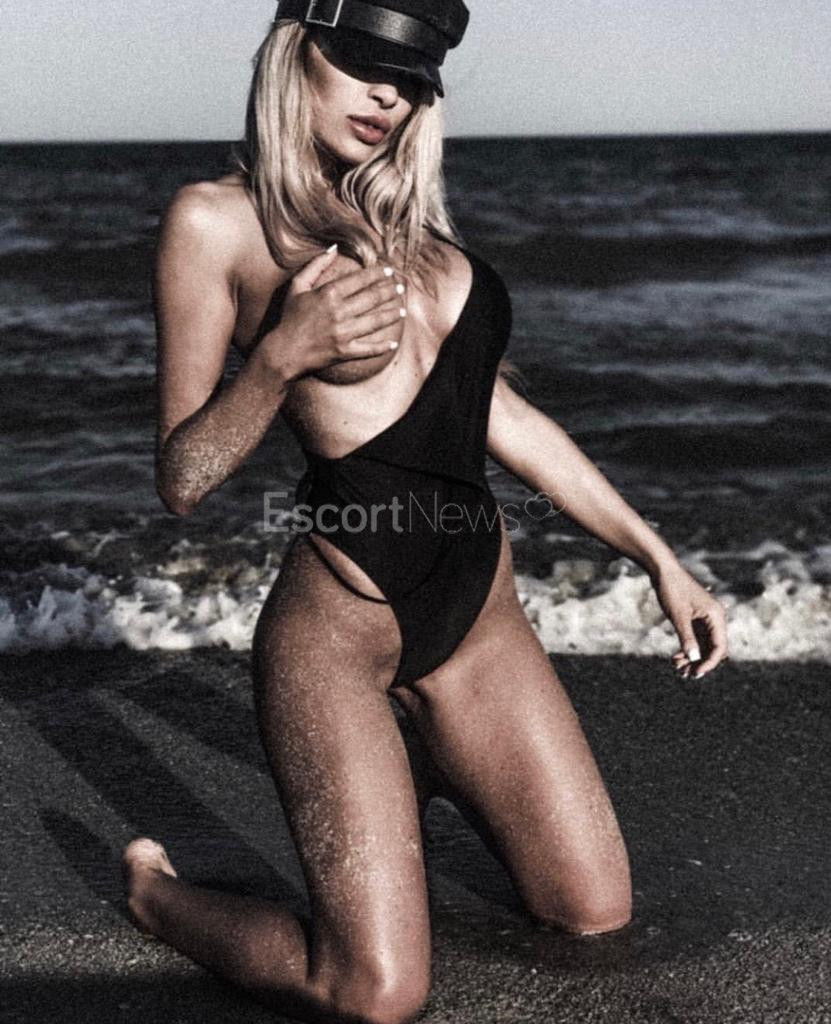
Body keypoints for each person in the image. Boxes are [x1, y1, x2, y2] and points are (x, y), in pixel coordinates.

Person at [121, 2, 729, 1022]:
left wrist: (656, 557)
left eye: (409, 80)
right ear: (294, 53)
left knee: (594, 913)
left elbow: (504, 416)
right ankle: (159, 897)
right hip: (341, 638)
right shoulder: (213, 222)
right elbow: (182, 478)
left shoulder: (407, 226)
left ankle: (419, 763)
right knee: (374, 993)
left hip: (480, 624)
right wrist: (280, 357)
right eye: (362, 64)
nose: (386, 96)